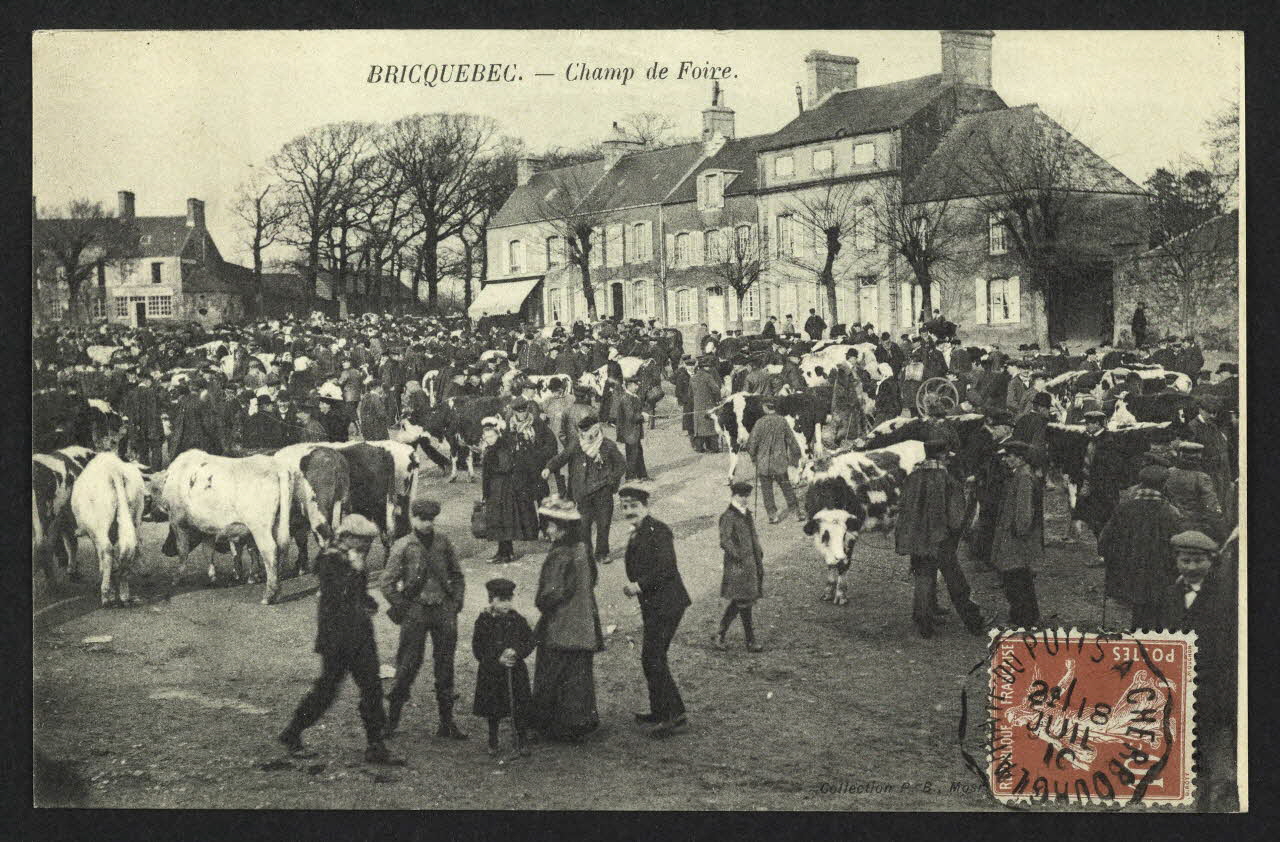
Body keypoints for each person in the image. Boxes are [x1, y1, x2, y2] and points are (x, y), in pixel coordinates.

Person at [278, 514, 403, 766]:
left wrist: (368, 603)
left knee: (372, 688)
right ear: (347, 537)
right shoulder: (329, 559)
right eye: (364, 541)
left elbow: (358, 594)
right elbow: (336, 596)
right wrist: (354, 574)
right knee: (326, 690)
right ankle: (292, 732)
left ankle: (375, 745)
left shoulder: (352, 558)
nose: (368, 547)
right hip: (337, 639)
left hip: (360, 636)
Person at [1134, 530, 1237, 810]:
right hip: (1180, 680)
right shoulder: (1170, 594)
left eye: (1197, 561)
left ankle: (1221, 791)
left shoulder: (1225, 596)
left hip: (1214, 680)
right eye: (1185, 561)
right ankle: (1192, 788)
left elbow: (1228, 643)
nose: (1191, 567)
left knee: (1215, 734)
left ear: (1211, 561)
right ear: (1176, 561)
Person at [382, 498, 468, 740]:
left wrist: (456, 602)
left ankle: (446, 722)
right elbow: (386, 583)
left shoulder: (443, 543)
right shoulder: (402, 546)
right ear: (413, 519)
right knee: (407, 665)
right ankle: (391, 721)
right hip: (416, 613)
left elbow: (457, 575)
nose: (427, 524)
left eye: (431, 519)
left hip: (443, 611)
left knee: (445, 667)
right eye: (422, 519)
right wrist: (404, 607)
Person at [530, 495, 604, 742]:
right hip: (584, 623)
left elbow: (551, 593)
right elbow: (592, 579)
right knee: (578, 676)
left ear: (561, 527)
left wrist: (542, 603)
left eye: (549, 526)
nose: (547, 531)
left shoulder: (560, 555)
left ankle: (550, 724)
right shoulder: (582, 549)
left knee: (552, 673)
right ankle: (580, 722)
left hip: (561, 625)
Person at [894, 439, 985, 638]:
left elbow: (903, 509)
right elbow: (955, 519)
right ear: (943, 456)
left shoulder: (912, 478)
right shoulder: (948, 481)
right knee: (956, 581)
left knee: (923, 578)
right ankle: (973, 622)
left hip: (917, 539)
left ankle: (923, 622)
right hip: (940, 539)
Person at [620, 484, 691, 737]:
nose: (629, 511)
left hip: (667, 603)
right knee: (651, 657)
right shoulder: (638, 532)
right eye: (625, 507)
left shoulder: (658, 531)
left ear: (645, 507)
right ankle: (663, 711)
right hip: (655, 604)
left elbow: (667, 567)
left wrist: (639, 585)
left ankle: (672, 716)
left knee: (653, 657)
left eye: (633, 506)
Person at [1097, 465, 1183, 629]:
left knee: (1139, 608)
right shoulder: (1171, 513)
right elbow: (1177, 546)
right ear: (1164, 485)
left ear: (1141, 484)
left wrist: (1109, 556)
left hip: (1130, 571)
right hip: (1160, 573)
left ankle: (1139, 634)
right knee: (1156, 610)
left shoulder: (1124, 508)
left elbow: (1105, 539)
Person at [542, 415, 625, 564]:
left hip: (603, 492)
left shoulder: (607, 445)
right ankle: (586, 553)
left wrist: (611, 480)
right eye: (581, 433)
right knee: (584, 526)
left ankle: (602, 553)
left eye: (586, 432)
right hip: (584, 492)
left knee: (603, 524)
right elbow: (562, 457)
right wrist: (549, 467)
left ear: (595, 429)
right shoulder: (577, 444)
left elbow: (621, 465)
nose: (583, 435)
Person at [472, 577, 535, 758]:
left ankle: (521, 740)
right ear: (491, 600)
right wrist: (497, 659)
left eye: (509, 599)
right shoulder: (483, 621)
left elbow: (530, 640)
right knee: (494, 708)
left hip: (515, 671)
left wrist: (517, 651)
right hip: (492, 673)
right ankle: (493, 740)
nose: (507, 604)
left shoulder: (517, 619)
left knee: (519, 706)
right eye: (502, 600)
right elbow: (478, 650)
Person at [991, 441, 1044, 627]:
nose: (1005, 459)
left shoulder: (1023, 477)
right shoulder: (1021, 474)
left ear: (1020, 458)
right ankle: (1026, 615)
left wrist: (1020, 532)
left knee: (1016, 577)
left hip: (1017, 536)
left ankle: (1023, 619)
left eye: (1009, 456)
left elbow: (1024, 510)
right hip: (1015, 533)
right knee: (1019, 577)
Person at [481, 416, 540, 565]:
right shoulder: (493, 448)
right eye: (486, 437)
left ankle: (506, 553)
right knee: (500, 520)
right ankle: (503, 552)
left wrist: (490, 465)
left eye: (491, 436)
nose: (489, 439)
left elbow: (505, 466)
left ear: (497, 434)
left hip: (503, 489)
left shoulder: (501, 448)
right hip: (495, 489)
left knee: (504, 519)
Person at [715, 481, 765, 652]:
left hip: (751, 565)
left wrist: (758, 552)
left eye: (746, 496)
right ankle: (749, 641)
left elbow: (752, 537)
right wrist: (739, 556)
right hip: (738, 567)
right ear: (733, 496)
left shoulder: (746, 514)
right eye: (740, 496)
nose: (744, 499)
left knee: (741, 601)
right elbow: (725, 540)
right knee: (743, 602)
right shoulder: (729, 516)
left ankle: (720, 634)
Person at [746, 397, 804, 524]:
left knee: (767, 491)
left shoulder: (759, 423)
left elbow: (751, 444)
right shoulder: (782, 421)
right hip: (780, 462)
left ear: (765, 408)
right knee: (786, 487)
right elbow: (792, 442)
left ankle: (773, 515)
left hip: (763, 463)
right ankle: (795, 512)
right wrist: (795, 458)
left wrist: (753, 457)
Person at [1163, 441, 1225, 541]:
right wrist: (1221, 529)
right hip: (1194, 526)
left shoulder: (1169, 472)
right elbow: (1212, 506)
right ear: (1198, 458)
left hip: (1171, 523)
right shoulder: (1201, 477)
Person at [615, 377, 650, 481]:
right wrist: (643, 416)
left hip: (634, 431)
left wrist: (642, 413)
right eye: (635, 385)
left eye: (637, 385)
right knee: (632, 454)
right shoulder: (626, 398)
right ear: (629, 385)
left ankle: (642, 475)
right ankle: (630, 477)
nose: (637, 387)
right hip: (629, 431)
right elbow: (631, 416)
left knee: (638, 452)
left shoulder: (633, 397)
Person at [690, 356, 723, 453]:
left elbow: (690, 393)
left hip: (697, 406)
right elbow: (716, 389)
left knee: (699, 427)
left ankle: (699, 447)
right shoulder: (708, 377)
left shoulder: (693, 378)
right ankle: (713, 447)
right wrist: (718, 400)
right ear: (705, 367)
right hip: (709, 404)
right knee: (710, 427)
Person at [673, 355, 696, 447]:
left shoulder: (697, 374)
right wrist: (684, 399)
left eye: (692, 366)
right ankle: (692, 438)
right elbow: (678, 391)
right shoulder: (682, 376)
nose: (691, 368)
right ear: (686, 366)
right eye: (689, 366)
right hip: (688, 402)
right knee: (689, 420)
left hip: (697, 401)